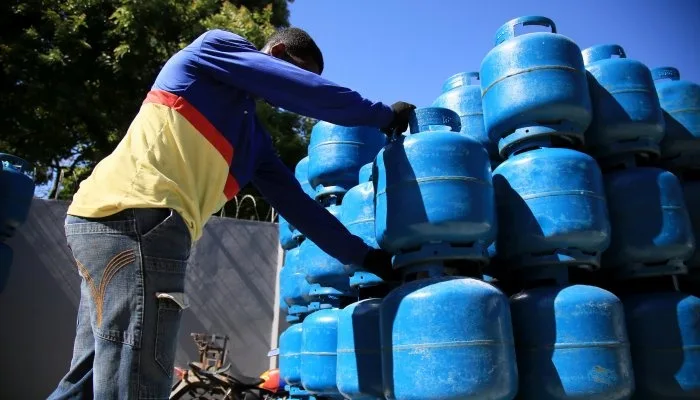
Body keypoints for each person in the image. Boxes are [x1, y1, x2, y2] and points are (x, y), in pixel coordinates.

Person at [48, 27, 415, 399]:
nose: (297, 85)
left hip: (105, 223)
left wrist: (365, 256)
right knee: (136, 378)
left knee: (89, 377)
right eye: (300, 71)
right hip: (140, 219)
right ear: (278, 52)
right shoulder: (213, 49)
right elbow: (302, 90)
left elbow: (301, 209)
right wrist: (380, 115)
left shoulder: (251, 140)